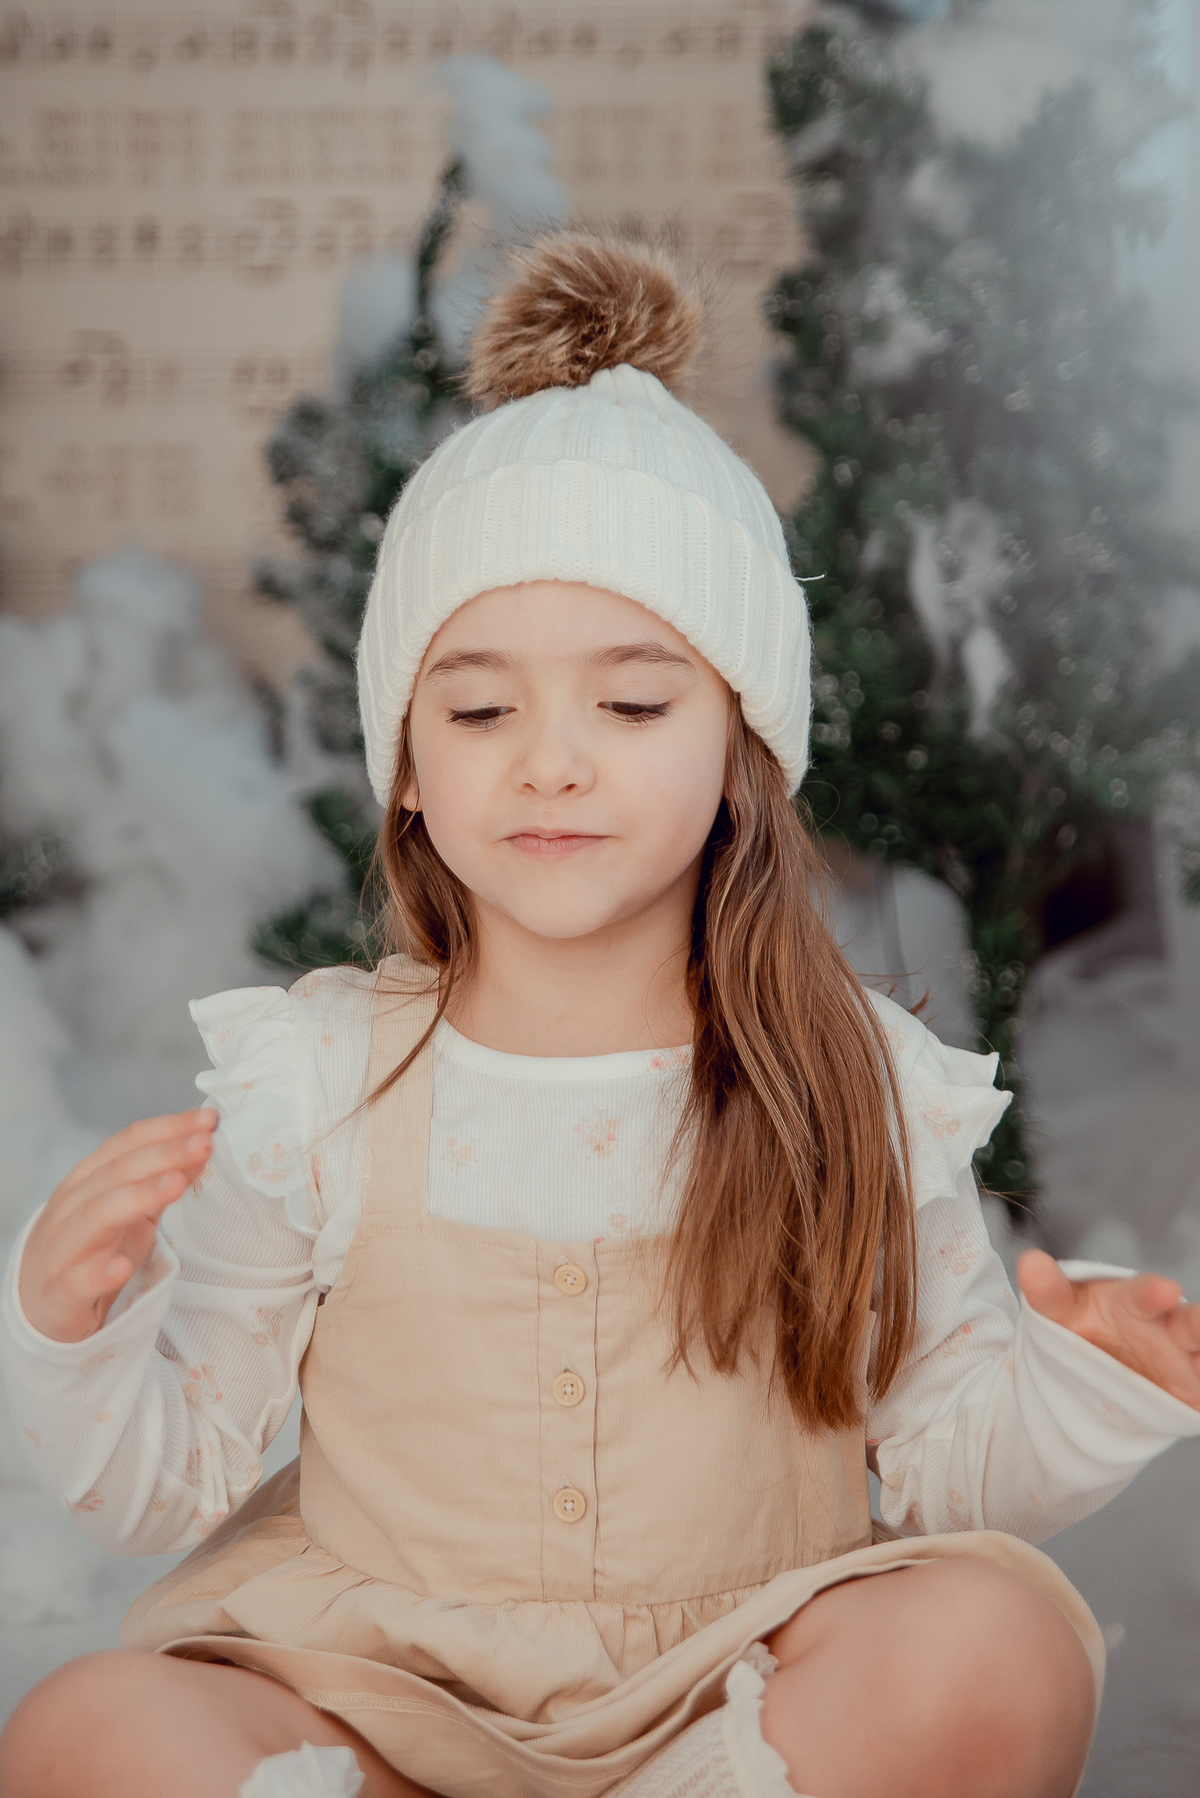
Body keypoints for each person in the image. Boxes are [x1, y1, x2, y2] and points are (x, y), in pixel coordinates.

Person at [2, 234, 1199, 1798]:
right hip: (380, 1700)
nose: (550, 760)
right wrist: (70, 1329)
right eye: (482, 705)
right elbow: (168, 1483)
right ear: (412, 763)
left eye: (633, 704)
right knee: (83, 1734)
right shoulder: (318, 1085)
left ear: (739, 746)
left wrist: (1089, 1382)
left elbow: (951, 1449)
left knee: (994, 1641)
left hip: (747, 1696)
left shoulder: (858, 1083)